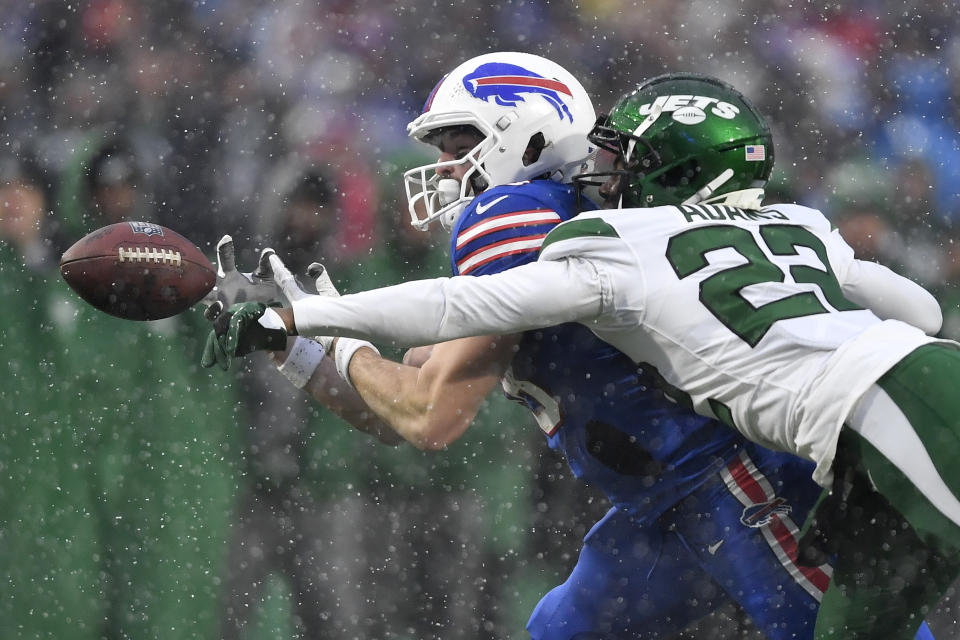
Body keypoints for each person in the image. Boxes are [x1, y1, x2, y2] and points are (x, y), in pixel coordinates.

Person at [202, 58, 938, 638]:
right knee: (563, 627)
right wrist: (293, 348)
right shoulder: (563, 218)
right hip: (663, 503)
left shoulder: (519, 215)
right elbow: (394, 401)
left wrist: (314, 324)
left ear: (523, 136)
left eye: (461, 146)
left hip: (732, 480)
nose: (446, 171)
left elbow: (428, 415)